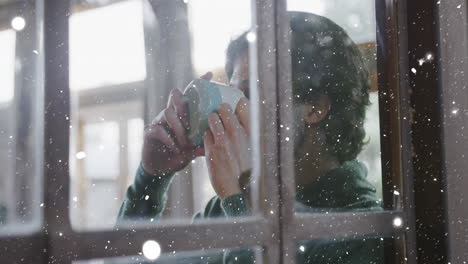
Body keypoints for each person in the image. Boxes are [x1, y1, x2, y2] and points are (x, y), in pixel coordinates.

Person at [117, 11, 383, 263]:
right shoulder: (225, 209)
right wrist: (150, 180)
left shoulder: (365, 230)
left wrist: (240, 197)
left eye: (253, 94)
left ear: (315, 107)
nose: (233, 112)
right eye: (235, 95)